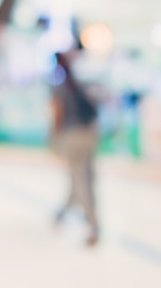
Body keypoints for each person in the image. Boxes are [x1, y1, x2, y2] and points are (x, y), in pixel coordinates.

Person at [50, 51, 100, 246]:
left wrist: (54, 138)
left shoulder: (60, 86)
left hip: (74, 135)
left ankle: (92, 224)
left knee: (80, 179)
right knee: (83, 176)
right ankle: (63, 213)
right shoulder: (81, 82)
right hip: (90, 133)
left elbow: (57, 114)